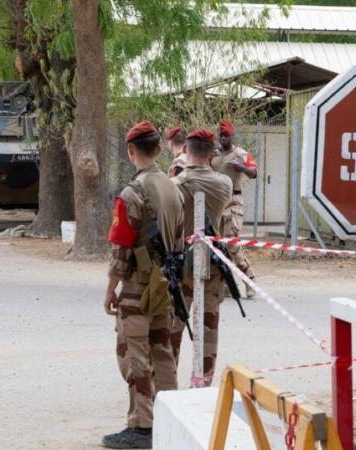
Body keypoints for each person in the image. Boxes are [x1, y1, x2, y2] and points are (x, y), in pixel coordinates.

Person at [102, 120, 184, 449]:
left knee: (133, 352)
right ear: (160, 149)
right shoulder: (173, 187)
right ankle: (169, 419)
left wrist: (111, 289)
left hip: (139, 282)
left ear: (131, 151)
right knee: (163, 350)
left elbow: (121, 247)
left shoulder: (132, 192)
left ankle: (142, 427)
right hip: (166, 281)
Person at [169, 129, 233, 386]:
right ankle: (203, 380)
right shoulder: (224, 184)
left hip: (181, 259)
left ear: (185, 149)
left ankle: (166, 379)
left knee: (173, 322)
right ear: (212, 153)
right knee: (208, 324)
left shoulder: (175, 184)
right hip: (212, 259)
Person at [210, 118, 258, 298]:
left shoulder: (241, 154)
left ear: (232, 136)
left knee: (231, 242)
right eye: (221, 136)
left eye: (227, 136)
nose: (223, 139)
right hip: (216, 203)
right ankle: (226, 284)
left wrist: (242, 167)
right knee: (218, 245)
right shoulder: (213, 155)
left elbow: (254, 173)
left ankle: (249, 278)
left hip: (234, 201)